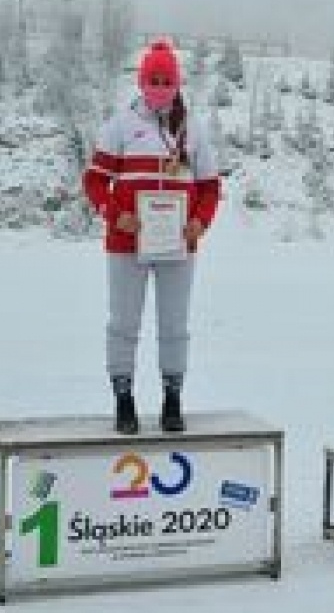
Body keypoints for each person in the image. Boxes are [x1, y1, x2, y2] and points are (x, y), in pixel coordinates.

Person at [82, 39, 220, 435]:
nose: (160, 86)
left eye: (167, 80)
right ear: (141, 82)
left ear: (177, 84)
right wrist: (114, 214)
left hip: (177, 245)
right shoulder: (120, 126)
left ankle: (172, 398)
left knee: (175, 325)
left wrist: (199, 222)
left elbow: (210, 186)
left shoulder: (191, 129)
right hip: (127, 243)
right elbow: (94, 181)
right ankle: (123, 398)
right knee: (124, 322)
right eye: (153, 79)